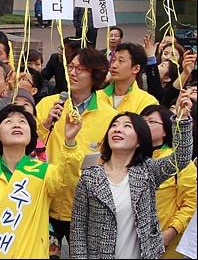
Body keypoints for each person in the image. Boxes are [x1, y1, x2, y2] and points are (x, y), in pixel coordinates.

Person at [69, 89, 194, 259]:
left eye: (127, 126)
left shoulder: (148, 171)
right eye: (114, 125)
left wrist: (181, 119)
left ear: (139, 140)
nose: (117, 129)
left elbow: (181, 158)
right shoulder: (90, 178)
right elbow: (78, 230)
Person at [0, 103, 84, 258]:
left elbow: (68, 180)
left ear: (30, 134)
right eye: (8, 121)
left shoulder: (44, 173)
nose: (16, 124)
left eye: (23, 121)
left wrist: (70, 142)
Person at [36, 47, 118, 250]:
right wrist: (45, 126)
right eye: (71, 67)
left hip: (84, 207)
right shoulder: (48, 104)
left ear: (95, 74)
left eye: (80, 69)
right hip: (45, 202)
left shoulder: (108, 116)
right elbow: (31, 148)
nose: (72, 73)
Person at [140, 104, 197, 259]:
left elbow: (190, 203)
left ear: (166, 130)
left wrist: (171, 231)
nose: (144, 125)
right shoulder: (129, 158)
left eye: (151, 121)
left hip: (165, 245)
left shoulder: (179, 162)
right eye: (141, 121)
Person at [98, 42, 159, 113]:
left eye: (121, 61)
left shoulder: (147, 102)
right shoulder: (97, 97)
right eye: (113, 60)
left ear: (136, 69)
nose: (114, 65)